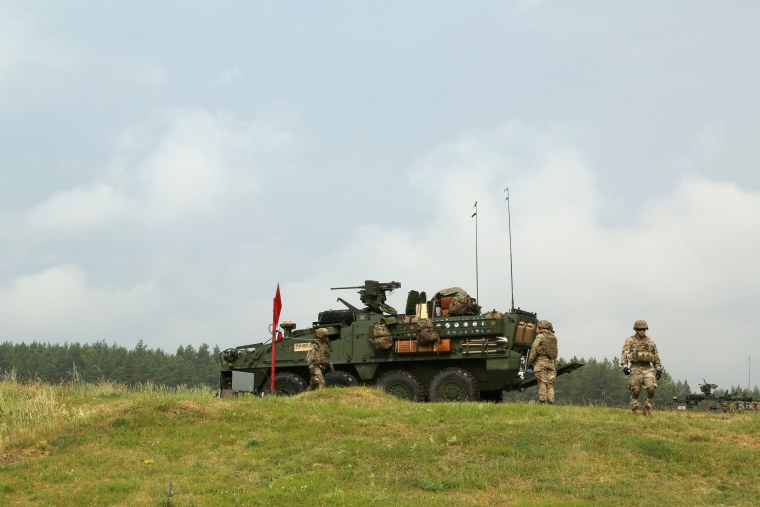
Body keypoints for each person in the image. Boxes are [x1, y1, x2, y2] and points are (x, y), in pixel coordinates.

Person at [620, 319, 662, 416]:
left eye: (644, 329)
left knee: (651, 388)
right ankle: (634, 409)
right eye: (640, 330)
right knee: (636, 390)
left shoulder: (650, 341)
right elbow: (624, 354)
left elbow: (655, 356)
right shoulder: (630, 340)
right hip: (635, 367)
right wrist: (625, 366)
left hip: (647, 367)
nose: (642, 331)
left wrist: (658, 368)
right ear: (636, 330)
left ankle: (647, 409)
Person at [527, 319, 558, 404]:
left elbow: (534, 349)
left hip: (541, 362)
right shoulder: (553, 337)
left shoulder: (540, 336)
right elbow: (555, 352)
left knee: (542, 382)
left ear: (540, 327)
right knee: (550, 384)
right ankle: (551, 402)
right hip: (551, 363)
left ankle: (542, 402)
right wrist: (553, 362)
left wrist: (530, 363)